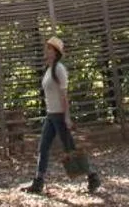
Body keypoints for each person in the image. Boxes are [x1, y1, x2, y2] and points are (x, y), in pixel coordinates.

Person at [26, 35, 99, 194]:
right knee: (43, 147)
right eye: (47, 47)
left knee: (70, 149)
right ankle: (38, 182)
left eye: (50, 48)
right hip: (50, 115)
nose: (46, 50)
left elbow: (64, 95)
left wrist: (67, 117)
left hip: (59, 115)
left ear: (56, 52)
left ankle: (92, 176)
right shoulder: (49, 69)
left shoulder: (59, 69)